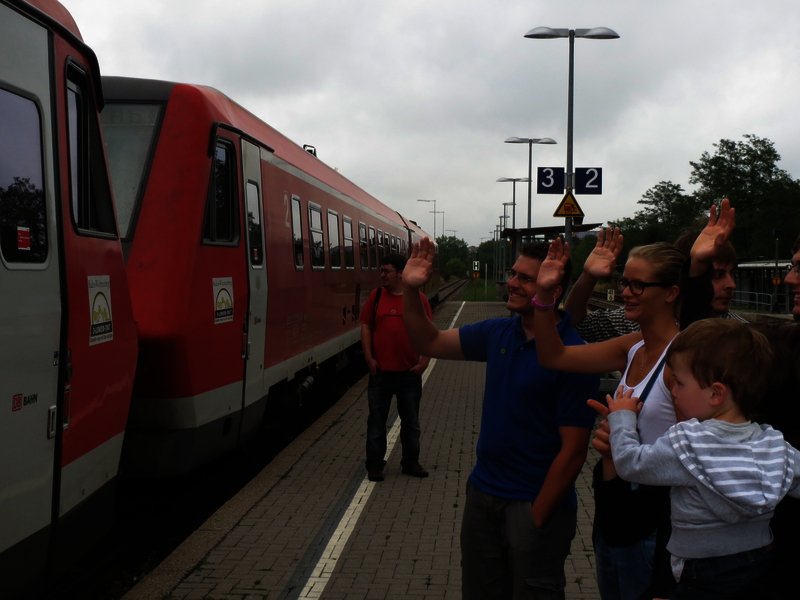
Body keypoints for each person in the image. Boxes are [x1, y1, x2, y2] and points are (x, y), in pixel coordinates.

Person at [402, 239, 599, 600]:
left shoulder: (573, 355)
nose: (512, 283)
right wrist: (411, 291)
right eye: (513, 274)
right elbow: (429, 342)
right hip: (484, 496)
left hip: (533, 503)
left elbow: (573, 452)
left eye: (525, 278)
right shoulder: (498, 333)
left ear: (552, 289)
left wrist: (536, 516)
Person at [600, 318, 800, 599]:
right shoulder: (774, 444)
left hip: (700, 571)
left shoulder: (687, 443)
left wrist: (623, 417)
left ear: (716, 393)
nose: (673, 391)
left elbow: (629, 463)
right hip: (758, 565)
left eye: (679, 383)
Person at [534, 238, 685, 599]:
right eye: (624, 282)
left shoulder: (681, 360)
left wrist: (622, 434)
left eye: (638, 285)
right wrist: (546, 294)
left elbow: (689, 456)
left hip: (652, 522)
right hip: (613, 510)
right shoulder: (632, 347)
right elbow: (553, 355)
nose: (626, 292)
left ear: (670, 293)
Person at [566, 199, 744, 344]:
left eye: (732, 274)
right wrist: (589, 276)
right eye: (717, 275)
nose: (731, 285)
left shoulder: (740, 335)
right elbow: (578, 324)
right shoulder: (638, 322)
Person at [360, 252, 431, 482]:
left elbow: (428, 332)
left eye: (386, 271)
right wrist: (369, 358)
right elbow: (366, 327)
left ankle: (410, 462)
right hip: (380, 373)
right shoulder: (376, 297)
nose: (382, 275)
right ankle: (374, 465)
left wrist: (424, 362)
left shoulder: (418, 299)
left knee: (411, 422)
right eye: (381, 270)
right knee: (376, 422)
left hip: (409, 373)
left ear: (400, 273)